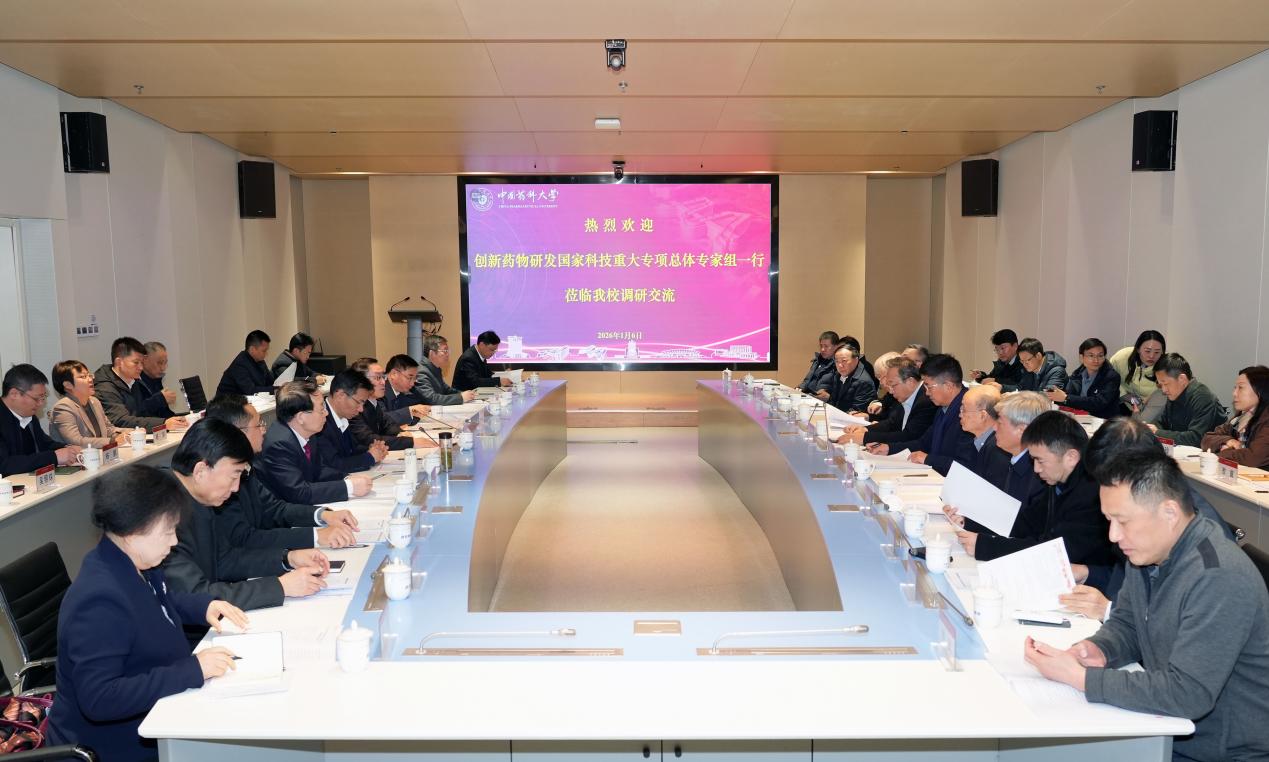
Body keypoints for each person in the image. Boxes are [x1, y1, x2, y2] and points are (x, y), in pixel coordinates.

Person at [1024, 450, 1269, 762]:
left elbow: (1188, 693)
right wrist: (1100, 649)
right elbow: (1129, 623)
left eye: (1123, 521)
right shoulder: (1148, 552)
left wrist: (1081, 678)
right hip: (1169, 729)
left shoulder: (1218, 576)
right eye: (1109, 521)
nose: (1113, 535)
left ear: (1169, 513)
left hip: (1221, 751)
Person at [46, 465, 248, 761]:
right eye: (167, 531)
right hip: (114, 746)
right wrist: (193, 670)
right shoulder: (98, 600)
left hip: (156, 716)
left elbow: (156, 602)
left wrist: (202, 606)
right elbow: (100, 698)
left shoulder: (134, 562)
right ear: (132, 531)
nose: (174, 541)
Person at [1059, 417, 1239, 622]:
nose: (1113, 535)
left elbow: (1166, 625)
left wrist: (1109, 610)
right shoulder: (1141, 522)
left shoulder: (1210, 566)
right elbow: (1127, 596)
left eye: (1109, 479)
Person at [162, 419, 330, 611]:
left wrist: (288, 559)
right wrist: (281, 587)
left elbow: (225, 561)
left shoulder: (198, 495)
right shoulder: (159, 511)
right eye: (234, 476)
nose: (236, 488)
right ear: (200, 471)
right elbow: (195, 594)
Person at [957, 411, 1115, 568]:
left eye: (1040, 461)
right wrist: (969, 522)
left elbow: (1055, 551)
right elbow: (1027, 523)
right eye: (1033, 460)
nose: (1036, 469)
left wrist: (987, 546)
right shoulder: (1060, 478)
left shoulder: (1092, 493)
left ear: (1071, 457)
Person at [203, 395, 358, 550]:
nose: (264, 430)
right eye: (258, 425)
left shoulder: (248, 465)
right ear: (237, 433)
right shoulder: (218, 482)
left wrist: (322, 514)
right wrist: (315, 537)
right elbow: (245, 538)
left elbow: (275, 509)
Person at [254, 380, 374, 504]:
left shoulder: (307, 432)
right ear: (301, 417)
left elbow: (319, 470)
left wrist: (346, 477)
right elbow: (299, 492)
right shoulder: (279, 445)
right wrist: (348, 487)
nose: (326, 413)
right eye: (321, 409)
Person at [867, 354, 974, 468]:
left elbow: (966, 465)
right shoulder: (943, 408)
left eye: (929, 386)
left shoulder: (969, 412)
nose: (927, 393)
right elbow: (924, 443)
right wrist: (889, 448)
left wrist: (928, 459)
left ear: (948, 386)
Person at [94, 336, 188, 432]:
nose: (141, 367)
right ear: (119, 362)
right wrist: (163, 423)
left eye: (142, 363)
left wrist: (175, 420)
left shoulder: (133, 380)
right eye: (136, 362)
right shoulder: (105, 388)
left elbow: (141, 413)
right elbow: (120, 421)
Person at [0, 364, 80, 476]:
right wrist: (54, 457)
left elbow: (45, 444)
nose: (41, 403)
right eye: (37, 398)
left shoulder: (29, 415)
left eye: (43, 397)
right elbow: (4, 465)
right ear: (14, 394)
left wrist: (68, 449)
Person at [841, 357, 936, 447]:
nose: (890, 391)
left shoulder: (926, 401)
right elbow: (891, 423)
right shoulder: (907, 395)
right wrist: (865, 429)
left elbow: (909, 436)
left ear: (910, 382)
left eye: (893, 385)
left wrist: (865, 438)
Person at [347, 357, 430, 450]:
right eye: (378, 378)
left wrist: (400, 433)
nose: (383, 382)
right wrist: (410, 442)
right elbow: (369, 439)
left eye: (383, 377)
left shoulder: (373, 402)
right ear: (361, 381)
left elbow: (387, 424)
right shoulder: (353, 408)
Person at [315, 369, 389, 473]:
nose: (361, 409)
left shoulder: (343, 416)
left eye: (363, 404)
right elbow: (332, 465)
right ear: (341, 395)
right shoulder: (319, 422)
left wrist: (372, 450)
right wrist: (370, 457)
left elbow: (351, 450)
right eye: (358, 402)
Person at [1147, 353, 1226, 447]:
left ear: (1182, 379)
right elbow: (1161, 423)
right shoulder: (1175, 394)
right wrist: (1148, 429)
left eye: (1166, 384)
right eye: (1161, 385)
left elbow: (1196, 438)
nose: (1164, 390)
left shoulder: (1203, 397)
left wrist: (1157, 432)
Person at [49, 360, 130, 448]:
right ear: (68, 385)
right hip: (78, 456)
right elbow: (75, 441)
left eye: (89, 375)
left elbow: (108, 429)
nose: (90, 379)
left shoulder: (94, 401)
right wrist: (111, 441)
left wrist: (132, 432)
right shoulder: (63, 407)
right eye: (83, 377)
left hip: (101, 454)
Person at [1201, 365, 1269, 468]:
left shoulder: (1266, 418)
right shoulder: (1242, 416)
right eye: (1235, 388)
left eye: (1240, 388)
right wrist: (1228, 441)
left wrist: (1220, 453)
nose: (1234, 393)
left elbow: (1252, 458)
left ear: (1259, 391)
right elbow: (1206, 439)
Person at [936, 384, 1002, 476]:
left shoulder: (998, 449)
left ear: (982, 415)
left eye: (964, 410)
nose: (960, 415)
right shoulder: (978, 440)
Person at [1046, 338, 1121, 419]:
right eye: (1091, 356)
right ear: (1081, 357)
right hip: (1080, 419)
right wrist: (1056, 396)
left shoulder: (1111, 377)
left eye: (1100, 356)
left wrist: (1066, 398)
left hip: (1102, 420)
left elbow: (1098, 403)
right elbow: (1069, 396)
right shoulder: (1077, 374)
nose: (1096, 360)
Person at [1108, 329, 1165, 417]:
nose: (1151, 356)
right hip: (1122, 404)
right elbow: (1108, 379)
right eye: (1147, 351)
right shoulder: (1122, 357)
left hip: (1151, 409)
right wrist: (1124, 395)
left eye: (1157, 352)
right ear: (1138, 349)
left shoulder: (1166, 366)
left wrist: (1151, 399)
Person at [414, 335, 477, 405]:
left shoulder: (435, 369)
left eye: (448, 351)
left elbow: (446, 390)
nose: (448, 354)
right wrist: (461, 398)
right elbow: (431, 399)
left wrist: (464, 394)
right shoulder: (421, 372)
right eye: (445, 351)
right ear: (432, 353)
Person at [815, 344, 876, 413]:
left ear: (856, 360)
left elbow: (856, 412)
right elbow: (833, 401)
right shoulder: (838, 375)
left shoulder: (864, 382)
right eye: (837, 361)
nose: (840, 365)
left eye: (844, 361)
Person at [216, 330, 275, 396]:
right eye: (264, 351)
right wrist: (275, 389)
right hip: (227, 401)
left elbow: (270, 382)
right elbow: (251, 390)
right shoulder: (239, 364)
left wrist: (278, 387)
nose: (266, 354)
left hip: (245, 400)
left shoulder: (260, 361)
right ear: (252, 349)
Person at [138, 340, 180, 419]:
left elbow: (163, 414)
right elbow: (136, 413)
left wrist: (179, 420)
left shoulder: (156, 380)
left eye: (165, 363)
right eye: (159, 363)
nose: (163, 368)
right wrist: (160, 399)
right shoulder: (134, 381)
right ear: (144, 360)